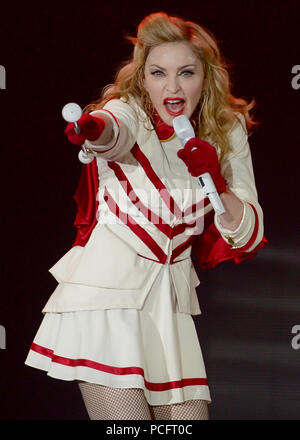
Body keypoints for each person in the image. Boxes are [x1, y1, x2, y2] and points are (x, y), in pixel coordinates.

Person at [25, 12, 267, 420]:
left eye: (186, 73)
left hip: (170, 310)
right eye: (158, 73)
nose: (172, 87)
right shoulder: (130, 112)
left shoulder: (227, 131)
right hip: (106, 301)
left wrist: (217, 182)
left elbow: (247, 232)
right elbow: (109, 130)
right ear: (144, 77)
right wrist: (90, 128)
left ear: (206, 77)